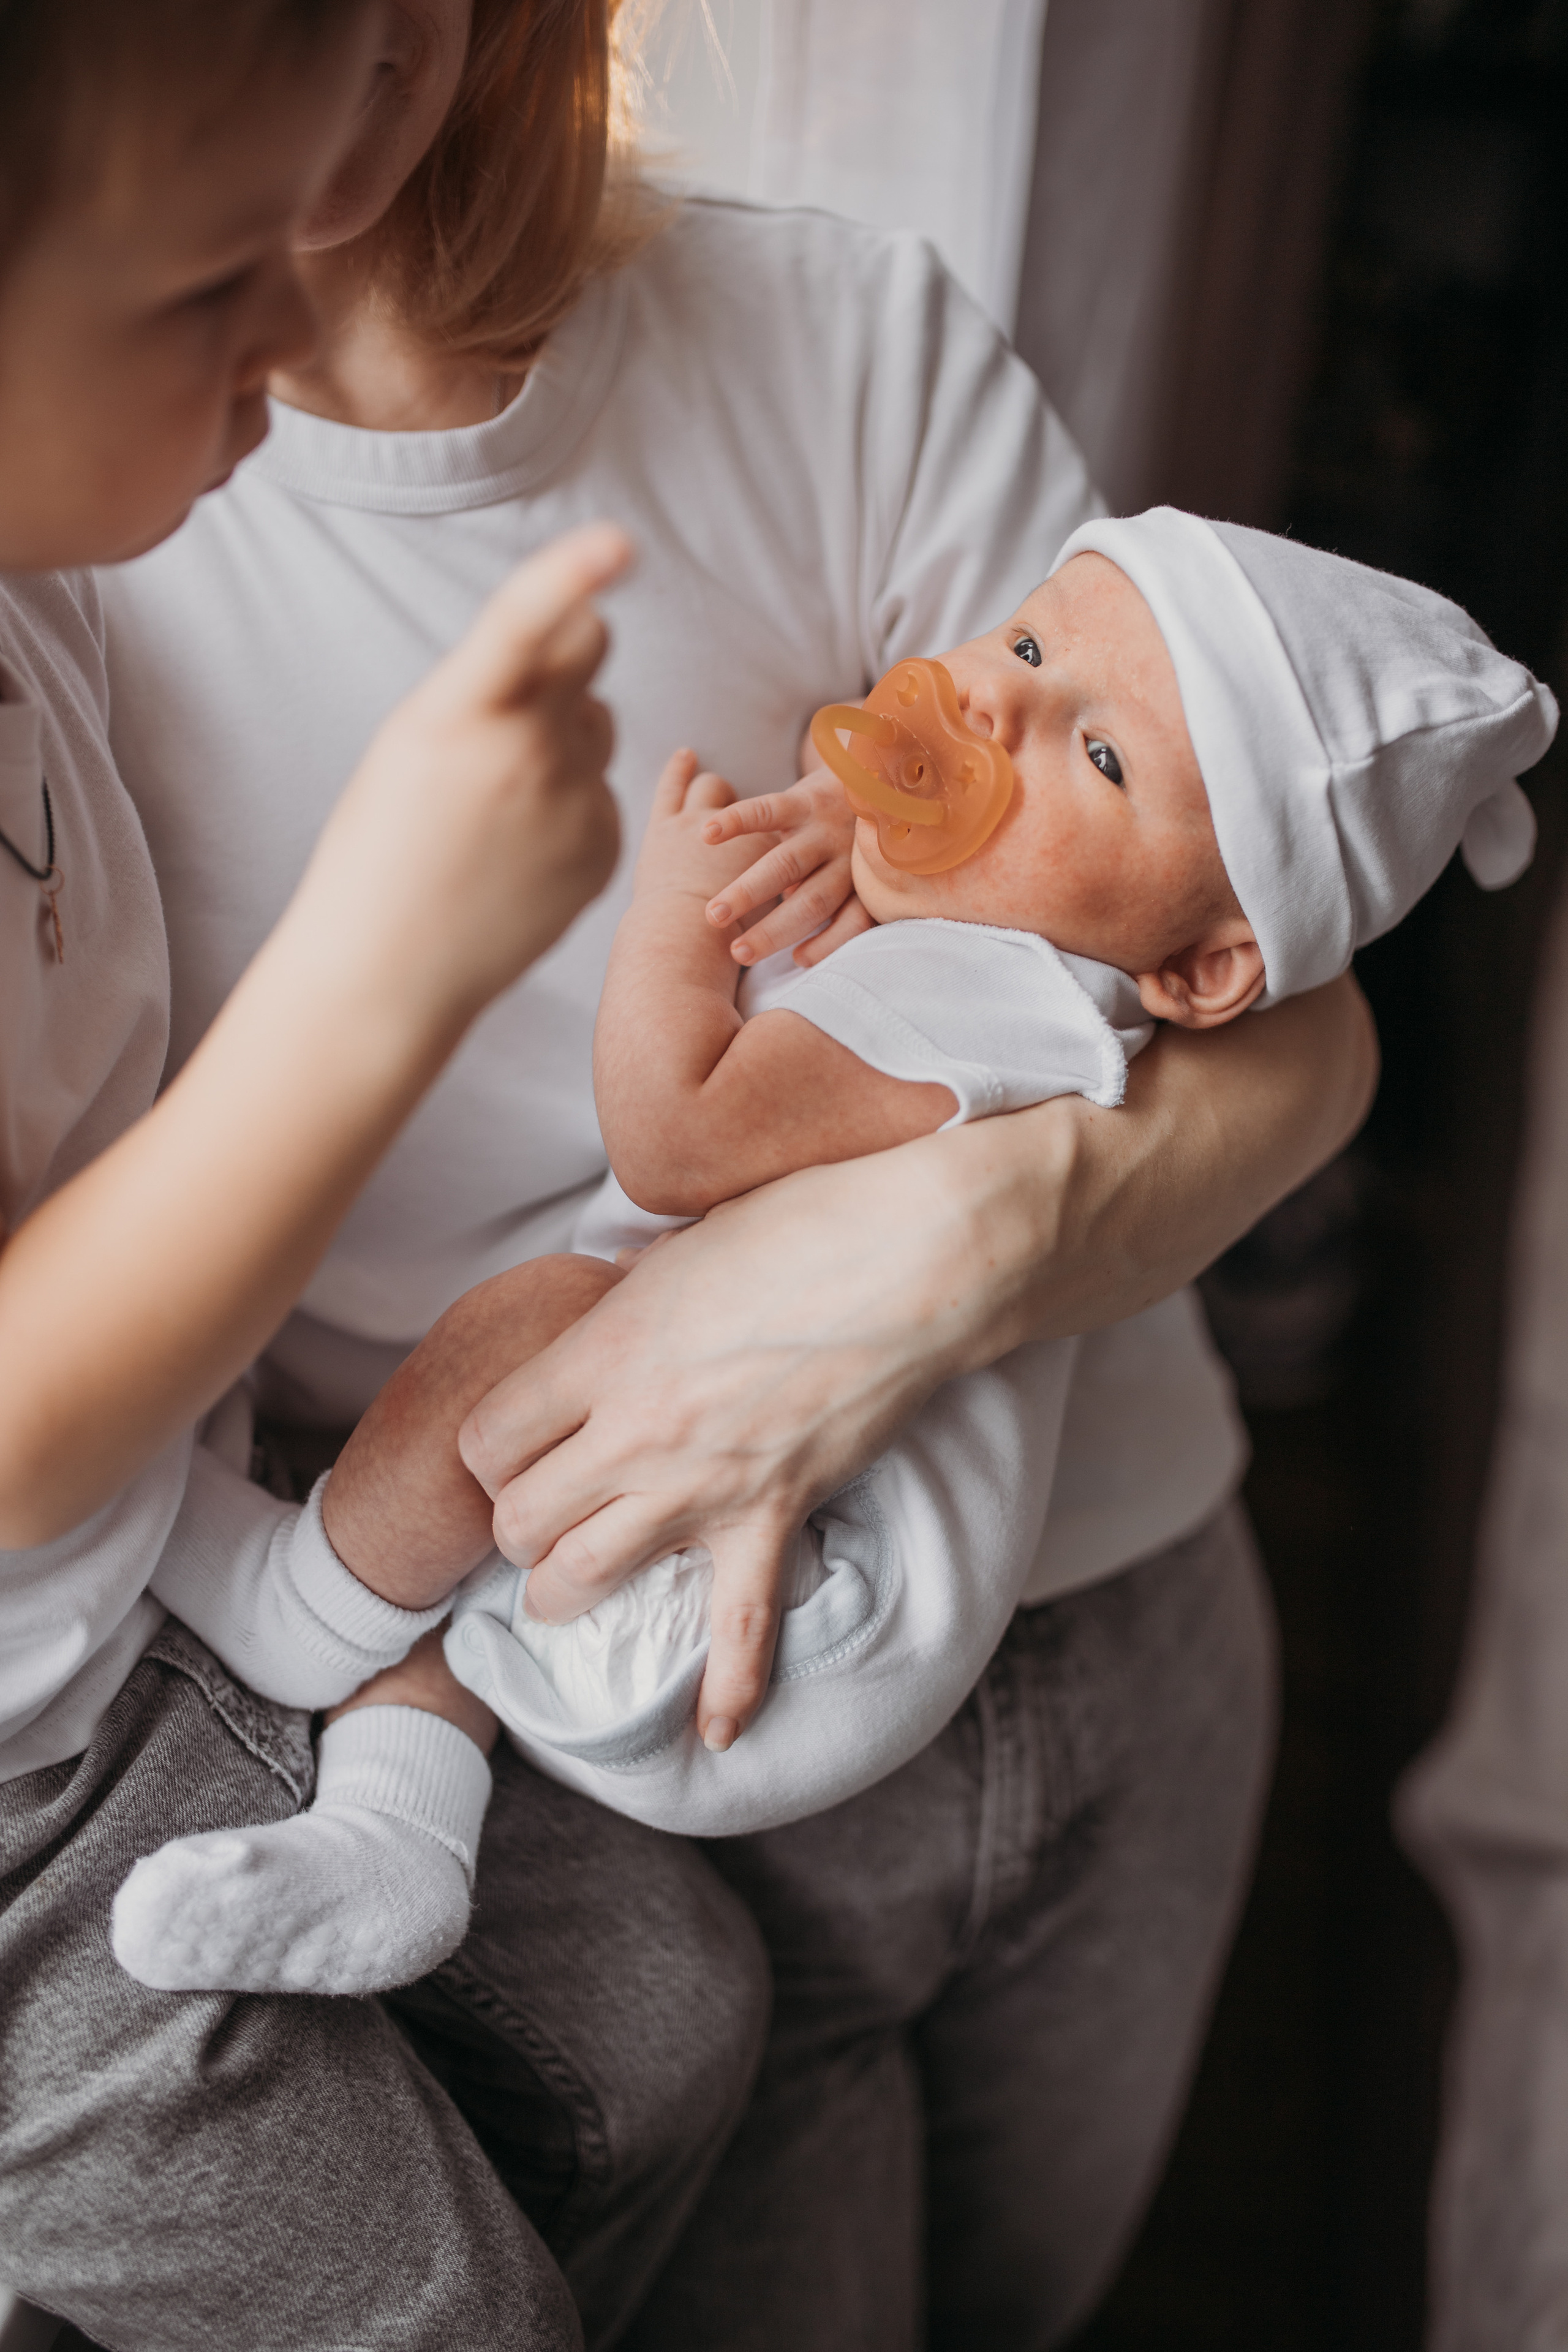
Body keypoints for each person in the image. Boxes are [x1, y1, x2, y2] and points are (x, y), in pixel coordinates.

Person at [97, 2, 1380, 2340]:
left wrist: (931, 1260)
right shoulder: (77, 507)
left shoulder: (836, 328)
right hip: (622, 1700)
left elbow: (1286, 1009)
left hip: (1132, 1604)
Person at [110, 507, 1555, 1991]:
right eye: (1025, 640)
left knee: (530, 1327)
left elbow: (675, 1135)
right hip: (808, 1623)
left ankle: (294, 1607)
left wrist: (676, 914)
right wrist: (864, 832)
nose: (993, 701)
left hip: (788, 1594)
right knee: (507, 1502)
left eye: (1099, 754)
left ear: (1199, 970)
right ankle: (395, 1836)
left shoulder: (967, 991)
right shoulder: (1047, 988)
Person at [0, 4, 769, 2344]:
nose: (290, 321)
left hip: (120, 1621)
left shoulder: (33, 578)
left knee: (664, 2017)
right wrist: (384, 972)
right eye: (209, 285)